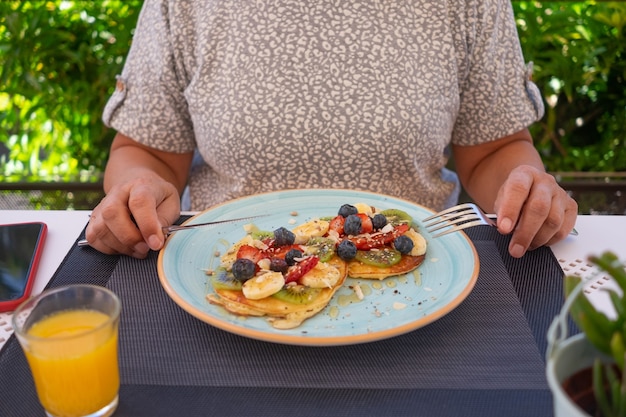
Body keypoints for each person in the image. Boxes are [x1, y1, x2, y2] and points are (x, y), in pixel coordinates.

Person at [85, 0, 578, 259]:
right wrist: (138, 191)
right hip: (222, 276)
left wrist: (523, 188)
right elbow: (145, 150)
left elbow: (495, 150)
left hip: (419, 283)